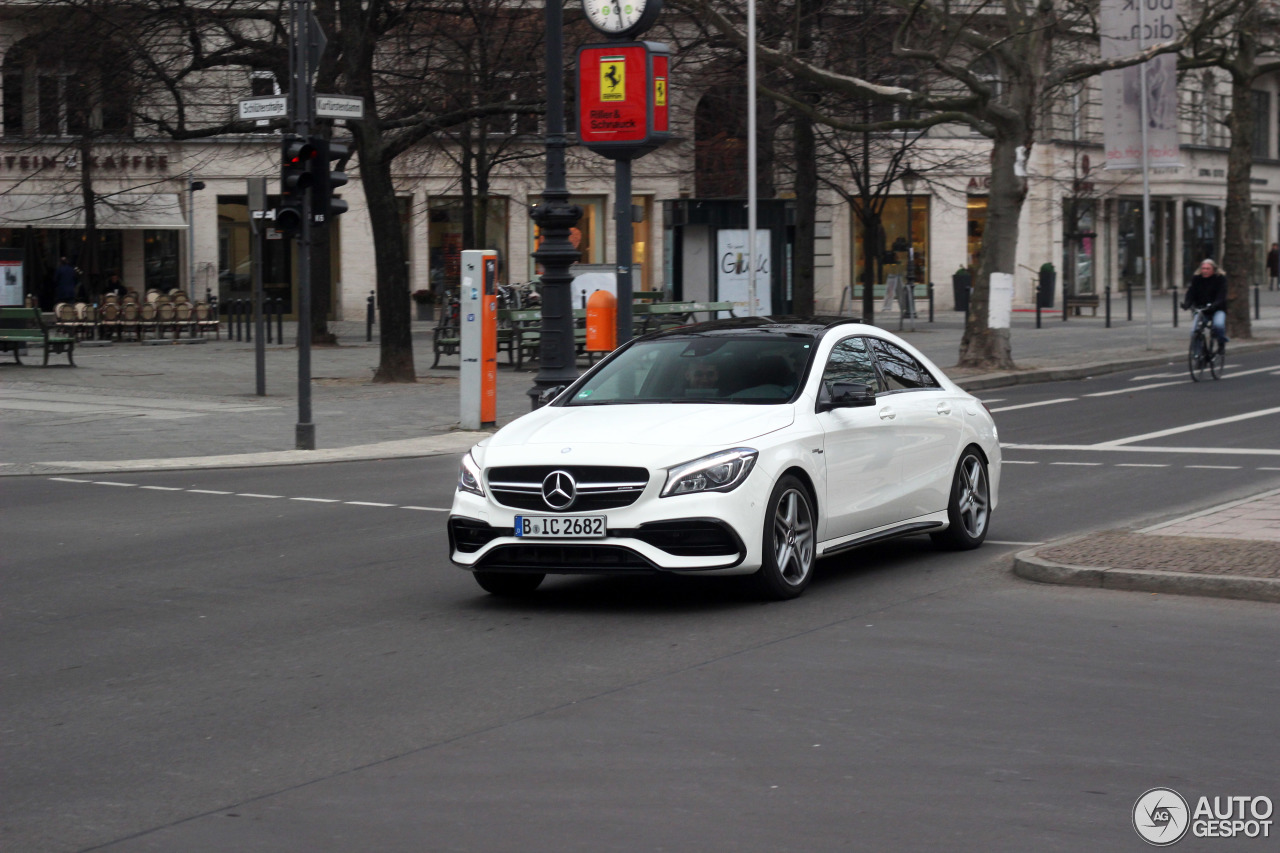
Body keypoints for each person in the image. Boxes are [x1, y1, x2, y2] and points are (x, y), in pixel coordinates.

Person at [1181, 259, 1228, 352]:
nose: (1205, 271)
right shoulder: (1196, 278)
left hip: (1217, 309)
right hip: (1201, 309)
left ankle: (1221, 343)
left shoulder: (1220, 279)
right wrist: (1187, 304)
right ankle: (1197, 354)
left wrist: (1215, 304)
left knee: (1218, 325)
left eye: (1207, 269)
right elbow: (1191, 292)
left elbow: (1222, 295)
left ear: (1213, 269)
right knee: (1195, 330)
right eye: (1203, 268)